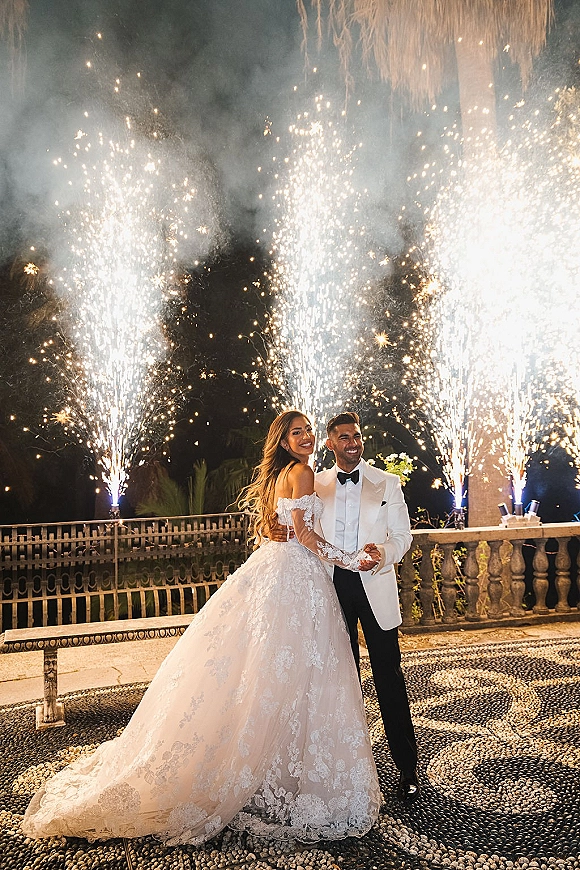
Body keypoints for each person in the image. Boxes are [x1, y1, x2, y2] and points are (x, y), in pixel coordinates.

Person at [22, 411, 382, 845]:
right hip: (297, 575)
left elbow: (277, 529)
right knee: (296, 674)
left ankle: (266, 765)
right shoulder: (302, 472)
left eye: (308, 430)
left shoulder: (279, 474)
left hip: (271, 569)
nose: (306, 438)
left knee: (263, 673)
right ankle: (283, 772)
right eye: (297, 432)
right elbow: (304, 535)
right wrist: (350, 558)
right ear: (285, 442)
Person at [272, 411, 419, 802]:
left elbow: (403, 537)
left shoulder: (388, 482)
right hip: (329, 586)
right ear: (331, 443)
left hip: (375, 585)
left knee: (389, 676)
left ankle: (407, 767)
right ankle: (348, 770)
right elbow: (291, 523)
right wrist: (273, 529)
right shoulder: (313, 480)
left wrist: (383, 552)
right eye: (344, 437)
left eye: (356, 436)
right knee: (338, 681)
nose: (352, 442)